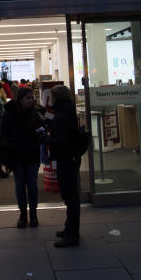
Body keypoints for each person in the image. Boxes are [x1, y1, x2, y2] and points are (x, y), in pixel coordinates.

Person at [1, 87, 45, 228]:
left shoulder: (36, 113)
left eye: (32, 98)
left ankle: (33, 214)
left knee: (32, 185)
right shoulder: (10, 113)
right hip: (17, 155)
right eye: (27, 98)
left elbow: (42, 128)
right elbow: (4, 132)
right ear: (20, 99)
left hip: (32, 154)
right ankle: (22, 214)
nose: (30, 101)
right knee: (20, 186)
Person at [47, 84, 82, 247]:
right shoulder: (68, 111)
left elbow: (60, 141)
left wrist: (44, 139)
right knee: (71, 194)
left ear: (56, 98)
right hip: (71, 157)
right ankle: (70, 229)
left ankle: (72, 235)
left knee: (70, 195)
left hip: (65, 158)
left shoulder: (61, 115)